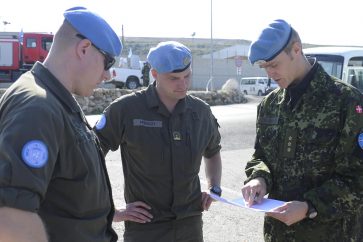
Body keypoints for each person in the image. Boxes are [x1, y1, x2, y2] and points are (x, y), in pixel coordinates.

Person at [0, 6, 122, 242]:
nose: (108, 75)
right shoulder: (38, 106)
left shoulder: (56, 99)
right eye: (107, 62)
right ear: (84, 49)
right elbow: (12, 220)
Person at [241, 19, 363, 241]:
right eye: (264, 67)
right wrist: (259, 179)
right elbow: (261, 157)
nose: (269, 73)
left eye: (274, 64)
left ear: (296, 49)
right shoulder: (269, 104)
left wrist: (309, 206)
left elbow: (358, 178)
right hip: (278, 234)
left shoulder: (346, 102)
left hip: (331, 234)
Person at [94, 41, 222, 242]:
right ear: (154, 74)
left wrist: (214, 187)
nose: (183, 84)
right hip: (145, 228)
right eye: (174, 78)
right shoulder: (126, 110)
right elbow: (90, 157)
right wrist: (110, 210)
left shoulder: (200, 113)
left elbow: (213, 151)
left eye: (187, 76)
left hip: (190, 225)